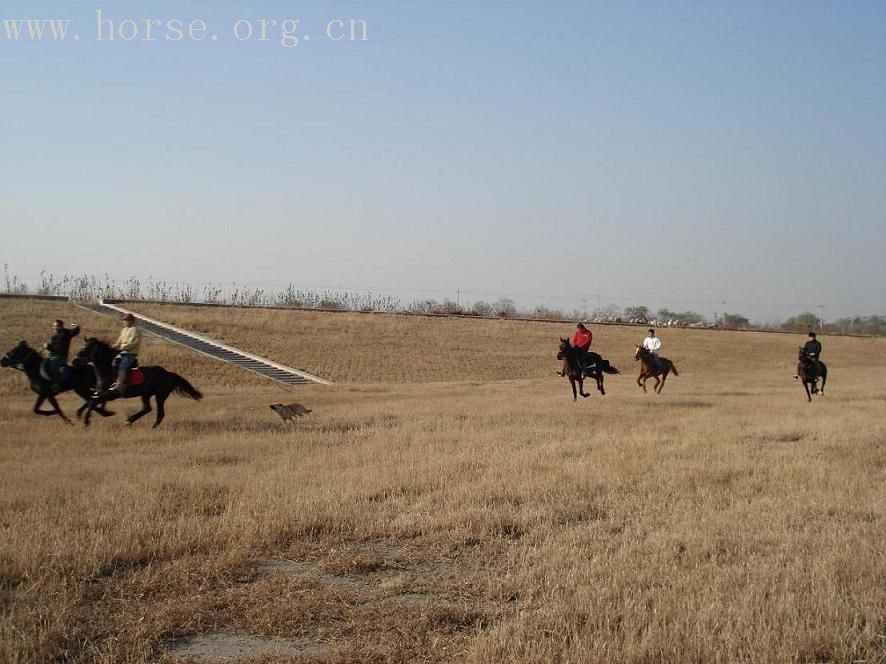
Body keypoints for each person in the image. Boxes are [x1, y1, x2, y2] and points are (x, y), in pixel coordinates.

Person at [42, 319, 79, 393]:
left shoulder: (66, 334)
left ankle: (56, 385)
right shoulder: (54, 337)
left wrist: (76, 325)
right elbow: (53, 349)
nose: (54, 328)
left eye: (56, 326)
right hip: (53, 356)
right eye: (54, 326)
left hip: (61, 357)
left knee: (53, 366)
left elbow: (76, 331)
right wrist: (47, 347)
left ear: (61, 326)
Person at [110, 313, 142, 393]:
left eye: (126, 320)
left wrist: (122, 347)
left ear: (131, 321)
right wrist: (110, 348)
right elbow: (118, 342)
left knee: (122, 366)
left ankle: (119, 385)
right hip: (122, 353)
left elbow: (133, 342)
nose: (124, 322)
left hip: (130, 353)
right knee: (112, 363)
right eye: (124, 320)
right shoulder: (123, 330)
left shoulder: (135, 330)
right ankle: (113, 381)